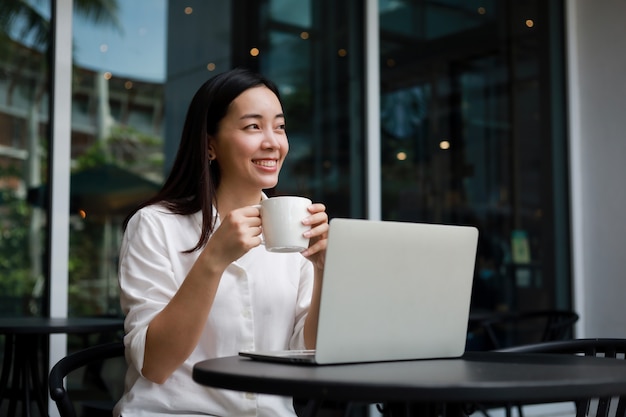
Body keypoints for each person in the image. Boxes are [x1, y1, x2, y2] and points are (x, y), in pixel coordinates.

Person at [113, 68, 329, 417]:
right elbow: (155, 365)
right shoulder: (155, 225)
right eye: (253, 126)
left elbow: (308, 353)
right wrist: (213, 260)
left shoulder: (294, 232)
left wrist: (323, 272)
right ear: (210, 144)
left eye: (280, 126)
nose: (273, 141)